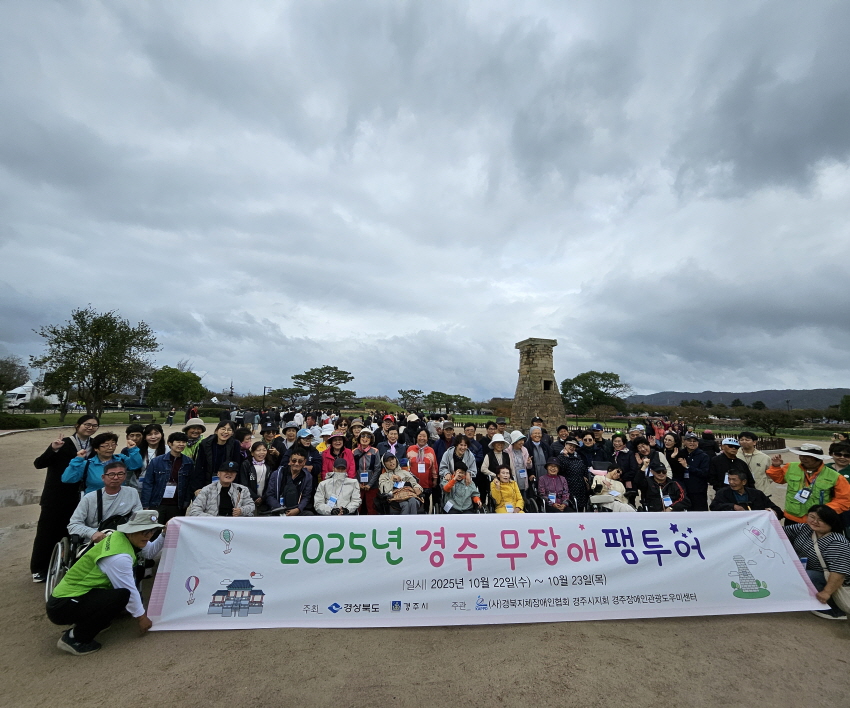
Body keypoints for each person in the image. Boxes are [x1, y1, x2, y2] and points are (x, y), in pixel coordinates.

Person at [46, 509, 167, 655]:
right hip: (63, 605)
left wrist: (163, 534)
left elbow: (149, 552)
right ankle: (74, 638)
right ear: (131, 530)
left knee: (127, 585)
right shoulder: (119, 556)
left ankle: (93, 621)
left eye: (152, 531)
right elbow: (128, 589)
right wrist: (141, 617)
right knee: (122, 596)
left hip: (74, 595)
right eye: (144, 531)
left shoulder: (122, 537)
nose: (148, 535)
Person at [31, 414, 101, 583]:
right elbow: (39, 463)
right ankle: (40, 568)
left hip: (82, 496)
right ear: (78, 425)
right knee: (48, 532)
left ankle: (67, 565)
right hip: (57, 495)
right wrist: (53, 449)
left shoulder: (95, 445)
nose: (90, 428)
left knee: (74, 531)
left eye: (94, 425)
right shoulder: (64, 443)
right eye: (87, 424)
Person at [784, 505, 850, 620]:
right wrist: (768, 515)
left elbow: (839, 572)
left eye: (820, 520)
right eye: (812, 517)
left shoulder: (837, 542)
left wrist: (826, 592)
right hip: (809, 570)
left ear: (830, 522)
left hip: (833, 580)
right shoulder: (804, 528)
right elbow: (777, 530)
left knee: (808, 576)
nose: (815, 521)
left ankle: (833, 609)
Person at [767, 444, 850, 523]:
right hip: (792, 518)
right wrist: (775, 467)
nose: (802, 458)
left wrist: (824, 511)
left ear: (818, 458)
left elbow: (844, 500)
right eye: (801, 455)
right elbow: (779, 479)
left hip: (818, 520)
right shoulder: (790, 467)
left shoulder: (835, 476)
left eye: (807, 456)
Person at [68, 461, 142, 544]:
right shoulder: (89, 498)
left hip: (123, 539)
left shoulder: (132, 493)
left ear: (125, 476)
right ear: (103, 477)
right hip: (96, 541)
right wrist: (92, 533)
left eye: (120, 474)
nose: (116, 477)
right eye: (111, 474)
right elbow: (73, 525)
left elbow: (139, 518)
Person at [62, 432, 142, 494]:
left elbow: (136, 465)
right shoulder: (87, 464)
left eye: (113, 444)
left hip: (119, 499)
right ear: (96, 448)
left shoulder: (121, 459)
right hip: (95, 501)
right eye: (106, 445)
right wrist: (78, 459)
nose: (110, 448)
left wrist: (133, 449)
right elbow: (67, 479)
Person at [140, 431, 194, 522]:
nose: (181, 444)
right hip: (157, 502)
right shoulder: (157, 461)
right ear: (170, 443)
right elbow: (148, 483)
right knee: (155, 528)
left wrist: (186, 502)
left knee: (173, 529)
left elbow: (189, 484)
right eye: (178, 442)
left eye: (184, 442)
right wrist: (145, 504)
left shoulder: (188, 462)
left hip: (177, 504)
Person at [190, 420, 241, 494]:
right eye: (223, 429)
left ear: (232, 433)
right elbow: (199, 466)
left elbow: (236, 466)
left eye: (229, 430)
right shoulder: (205, 443)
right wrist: (197, 487)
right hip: (208, 480)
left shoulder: (235, 444)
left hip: (227, 481)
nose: (226, 432)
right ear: (216, 431)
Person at [188, 461, 255, 517]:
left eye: (232, 472)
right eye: (226, 471)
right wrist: (214, 520)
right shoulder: (207, 490)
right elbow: (194, 511)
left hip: (235, 524)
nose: (229, 474)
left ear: (235, 475)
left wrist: (241, 511)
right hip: (212, 525)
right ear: (218, 474)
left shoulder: (242, 489)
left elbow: (251, 506)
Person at [710, 470, 784, 518]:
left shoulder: (757, 494)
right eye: (729, 479)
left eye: (734, 480)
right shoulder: (723, 493)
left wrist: (771, 512)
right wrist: (733, 506)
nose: (731, 482)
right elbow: (713, 507)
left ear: (744, 482)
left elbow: (778, 511)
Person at [264, 449, 314, 516]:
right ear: (290, 461)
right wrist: (280, 509)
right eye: (294, 461)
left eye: (300, 461)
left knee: (309, 514)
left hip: (296, 510)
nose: (296, 464)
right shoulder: (277, 474)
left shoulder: (307, 477)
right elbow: (269, 495)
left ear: (304, 462)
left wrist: (298, 509)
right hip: (278, 509)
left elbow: (306, 497)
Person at [676, 432, 711, 511]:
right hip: (683, 489)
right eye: (689, 441)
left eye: (694, 441)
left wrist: (688, 467)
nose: (692, 443)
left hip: (698, 490)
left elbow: (704, 472)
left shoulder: (703, 456)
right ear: (684, 442)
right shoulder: (680, 453)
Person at [556, 438, 593, 511]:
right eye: (570, 445)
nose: (572, 447)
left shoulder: (578, 457)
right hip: (568, 486)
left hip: (580, 487)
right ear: (565, 445)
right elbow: (561, 470)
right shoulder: (560, 457)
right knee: (570, 508)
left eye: (574, 446)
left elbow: (584, 469)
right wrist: (565, 457)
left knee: (581, 508)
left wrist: (585, 478)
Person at [735, 431, 774, 498]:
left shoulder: (764, 457)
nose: (744, 441)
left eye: (747, 440)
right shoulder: (735, 455)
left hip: (760, 490)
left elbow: (770, 475)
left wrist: (762, 482)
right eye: (741, 440)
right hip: (738, 490)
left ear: (754, 442)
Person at [353, 429, 382, 514]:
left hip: (372, 486)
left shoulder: (375, 451)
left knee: (372, 508)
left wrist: (370, 484)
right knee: (357, 508)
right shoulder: (354, 452)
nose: (365, 438)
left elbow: (377, 469)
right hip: (358, 486)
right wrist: (357, 483)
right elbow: (352, 469)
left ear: (371, 439)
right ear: (359, 437)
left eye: (368, 436)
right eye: (363, 436)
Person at [237, 441, 271, 511]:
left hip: (264, 500)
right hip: (249, 498)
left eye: (264, 450)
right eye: (258, 450)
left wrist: (263, 498)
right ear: (252, 453)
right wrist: (255, 497)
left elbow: (271, 484)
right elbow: (244, 483)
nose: (261, 452)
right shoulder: (246, 464)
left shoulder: (269, 464)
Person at [132, 423, 166, 488]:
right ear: (144, 437)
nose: (153, 437)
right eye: (149, 434)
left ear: (162, 435)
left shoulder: (168, 450)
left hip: (158, 487)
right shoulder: (137, 450)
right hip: (138, 486)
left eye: (156, 433)